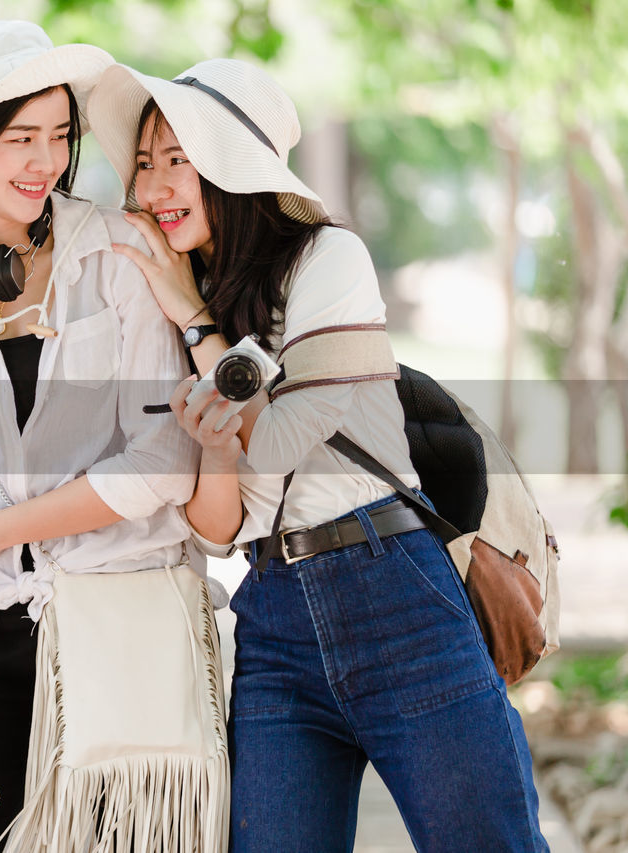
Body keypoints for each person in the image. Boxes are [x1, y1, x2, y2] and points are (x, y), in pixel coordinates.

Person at [88, 58, 550, 851]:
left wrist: (196, 322)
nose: (154, 186)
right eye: (142, 164)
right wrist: (210, 439)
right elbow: (218, 526)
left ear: (233, 171)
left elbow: (275, 442)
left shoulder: (328, 262)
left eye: (176, 161)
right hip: (272, 620)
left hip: (395, 593)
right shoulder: (171, 304)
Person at [0, 22, 229, 853]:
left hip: (125, 630)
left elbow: (165, 462)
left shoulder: (122, 252)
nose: (46, 161)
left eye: (59, 135)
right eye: (21, 137)